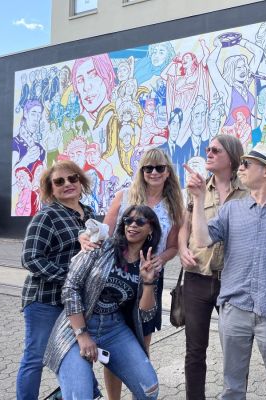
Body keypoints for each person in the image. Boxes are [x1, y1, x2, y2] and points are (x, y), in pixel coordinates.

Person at [186, 143, 266, 399]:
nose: (240, 168)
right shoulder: (231, 210)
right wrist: (197, 199)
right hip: (234, 310)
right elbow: (202, 239)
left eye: (246, 164)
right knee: (232, 388)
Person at [79, 146, 183, 399]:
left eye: (160, 167)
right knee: (113, 347)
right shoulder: (125, 196)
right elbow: (105, 231)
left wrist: (161, 260)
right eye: (148, 168)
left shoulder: (174, 205)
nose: (154, 172)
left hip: (148, 279)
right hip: (115, 278)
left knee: (140, 344)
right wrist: (85, 236)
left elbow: (172, 247)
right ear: (142, 171)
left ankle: (140, 393)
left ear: (168, 172)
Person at [44, 205, 161, 399]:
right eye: (128, 220)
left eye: (140, 221)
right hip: (78, 326)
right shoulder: (102, 246)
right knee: (79, 396)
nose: (132, 225)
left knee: (149, 390)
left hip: (114, 328)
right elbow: (70, 287)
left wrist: (148, 282)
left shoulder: (149, 262)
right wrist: (82, 335)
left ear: (151, 229)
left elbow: (146, 314)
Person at [16, 160, 95, 400]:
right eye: (59, 181)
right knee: (35, 357)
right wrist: (68, 279)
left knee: (79, 353)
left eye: (72, 178)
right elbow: (29, 258)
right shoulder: (47, 216)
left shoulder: (88, 214)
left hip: (74, 303)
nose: (68, 184)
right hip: (44, 300)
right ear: (51, 189)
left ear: (81, 181)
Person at [178, 134, 247, 400]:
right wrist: (183, 249)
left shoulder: (248, 191)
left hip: (233, 281)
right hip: (197, 278)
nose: (209, 153)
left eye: (215, 150)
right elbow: (184, 227)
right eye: (207, 149)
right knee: (195, 350)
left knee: (237, 348)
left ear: (231, 156)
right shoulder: (197, 189)